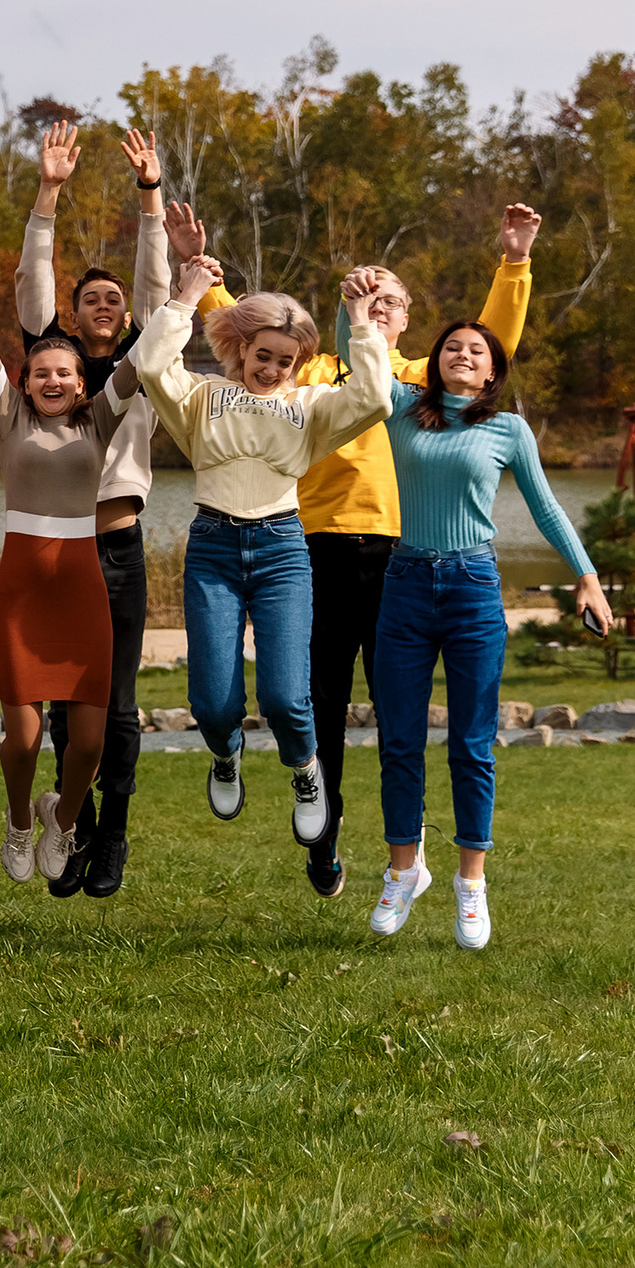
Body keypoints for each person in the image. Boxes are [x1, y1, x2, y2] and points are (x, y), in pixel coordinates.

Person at [174, 203, 542, 897]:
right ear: (348, 311)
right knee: (317, 703)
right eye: (367, 297)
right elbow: (246, 332)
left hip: (399, 565)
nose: (379, 309)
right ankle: (325, 836)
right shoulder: (308, 378)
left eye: (392, 302)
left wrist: (514, 261)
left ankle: (409, 851)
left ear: (405, 320)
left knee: (398, 714)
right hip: (312, 556)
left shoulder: (416, 383)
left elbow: (492, 346)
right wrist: (200, 266)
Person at [133, 253, 392, 858]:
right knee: (211, 702)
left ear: (299, 363)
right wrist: (186, 295)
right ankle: (225, 755)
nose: (273, 368)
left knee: (283, 696)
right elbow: (149, 363)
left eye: (286, 359)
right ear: (240, 348)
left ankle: (306, 772)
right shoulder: (200, 398)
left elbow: (376, 397)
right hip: (214, 549)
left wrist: (359, 318)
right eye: (263, 355)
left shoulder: (310, 407)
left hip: (281, 550)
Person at [366, 303, 607, 949]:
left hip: (472, 588)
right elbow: (356, 351)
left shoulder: (507, 430)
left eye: (477, 350)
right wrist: (355, 308)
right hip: (406, 584)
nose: (463, 354)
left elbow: (546, 506)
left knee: (471, 743)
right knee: (399, 741)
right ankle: (401, 868)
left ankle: (470, 882)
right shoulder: (399, 407)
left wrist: (585, 574)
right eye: (452, 347)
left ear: (494, 369)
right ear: (436, 360)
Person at [0, 121, 170, 899]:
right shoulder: (51, 374)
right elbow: (35, 279)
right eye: (89, 298)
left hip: (116, 548)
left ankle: (112, 835)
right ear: (69, 315)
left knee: (115, 709)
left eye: (114, 299)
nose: (105, 304)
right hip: (48, 555)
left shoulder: (141, 372)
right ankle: (70, 820)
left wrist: (151, 197)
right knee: (57, 713)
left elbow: (162, 297)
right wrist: (49, 192)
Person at [0, 241, 145, 888]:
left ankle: (60, 817)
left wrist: (184, 292)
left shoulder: (100, 423)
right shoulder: (9, 420)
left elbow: (142, 355)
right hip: (22, 598)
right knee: (26, 737)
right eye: (42, 373)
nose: (54, 381)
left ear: (80, 381)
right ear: (27, 381)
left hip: (82, 593)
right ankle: (17, 818)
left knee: (88, 743)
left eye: (65, 372)